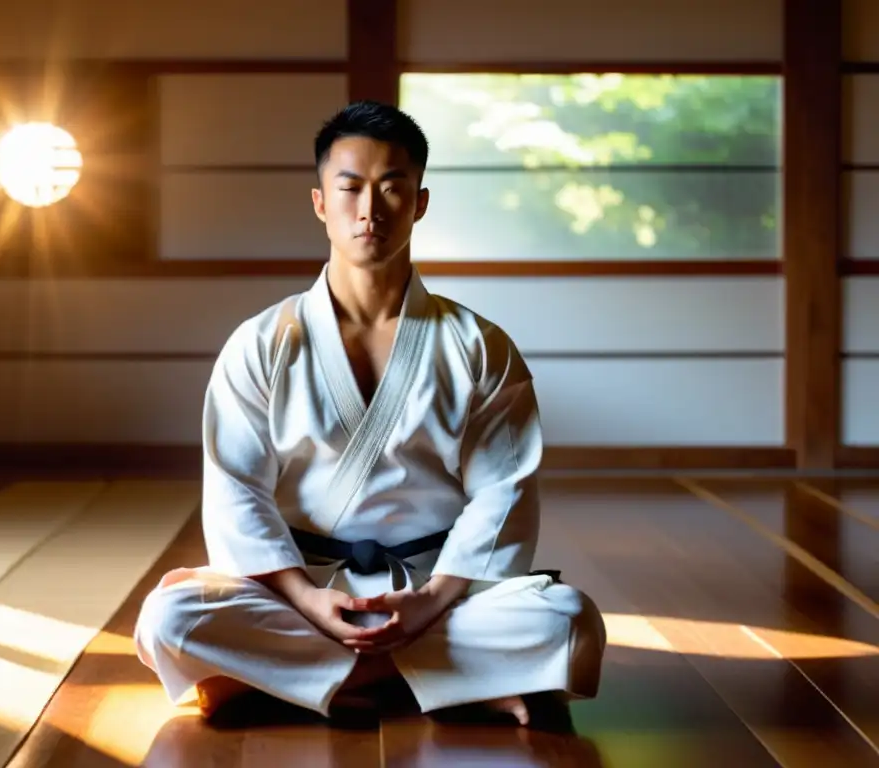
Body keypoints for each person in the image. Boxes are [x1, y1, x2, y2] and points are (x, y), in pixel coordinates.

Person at [134, 100, 607, 727]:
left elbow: (504, 494)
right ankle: (445, 683)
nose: (370, 209)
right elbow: (236, 491)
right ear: (319, 202)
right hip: (300, 585)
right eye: (350, 187)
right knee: (169, 618)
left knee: (569, 621)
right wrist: (306, 600)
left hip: (434, 588)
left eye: (393, 188)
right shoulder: (261, 342)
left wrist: (431, 600)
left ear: (421, 201)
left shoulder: (477, 346)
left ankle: (290, 682)